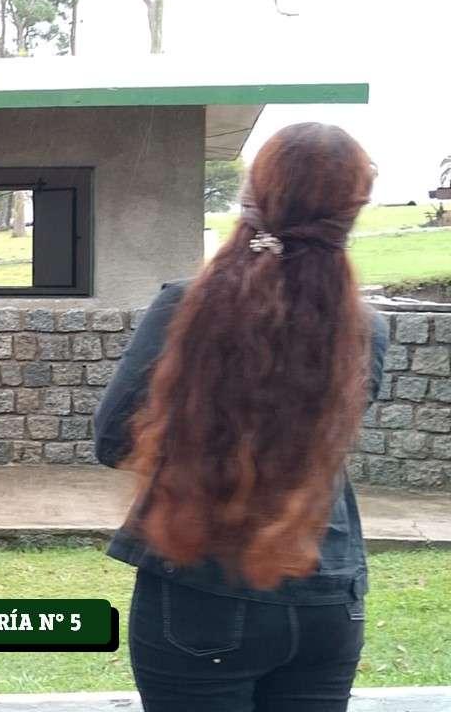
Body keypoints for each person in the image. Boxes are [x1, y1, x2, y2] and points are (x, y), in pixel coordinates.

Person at [93, 122, 389, 712]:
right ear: (352, 210)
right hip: (329, 594)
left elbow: (113, 440)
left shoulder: (186, 307)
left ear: (254, 194)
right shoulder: (365, 328)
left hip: (200, 587)